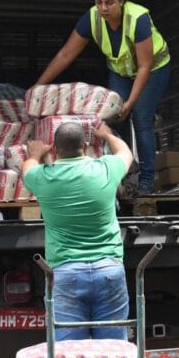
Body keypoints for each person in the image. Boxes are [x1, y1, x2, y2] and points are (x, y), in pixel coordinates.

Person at [35, 0, 170, 195]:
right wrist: (39, 86)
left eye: (109, 3)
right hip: (121, 71)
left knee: (140, 118)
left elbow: (145, 66)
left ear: (121, 1)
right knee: (113, 117)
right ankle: (124, 175)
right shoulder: (92, 18)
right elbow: (66, 54)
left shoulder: (138, 18)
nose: (103, 8)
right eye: (98, 2)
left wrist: (131, 102)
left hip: (153, 69)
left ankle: (146, 182)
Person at [22, 121, 133, 340]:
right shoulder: (106, 169)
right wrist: (107, 135)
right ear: (85, 144)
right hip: (108, 270)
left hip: (66, 274)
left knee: (69, 355)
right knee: (112, 351)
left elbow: (27, 170)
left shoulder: (44, 178)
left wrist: (35, 154)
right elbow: (125, 152)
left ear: (54, 148)